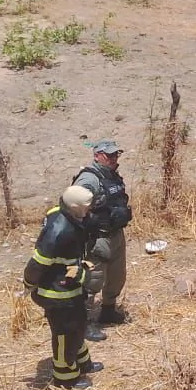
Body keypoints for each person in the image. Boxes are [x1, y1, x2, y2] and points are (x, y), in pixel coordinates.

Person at [23, 185, 103, 389]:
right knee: (65, 334)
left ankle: (82, 363)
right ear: (76, 208)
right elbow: (38, 263)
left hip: (71, 287)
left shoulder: (72, 217)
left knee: (77, 326)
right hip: (57, 293)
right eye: (87, 206)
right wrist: (29, 283)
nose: (90, 209)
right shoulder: (57, 231)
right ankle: (65, 377)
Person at [73, 139, 134, 339]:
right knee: (93, 280)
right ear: (97, 156)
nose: (114, 158)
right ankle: (84, 322)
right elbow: (73, 205)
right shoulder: (89, 179)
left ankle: (108, 310)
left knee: (117, 276)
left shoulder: (112, 176)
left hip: (116, 234)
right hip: (97, 238)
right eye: (109, 155)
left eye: (116, 154)